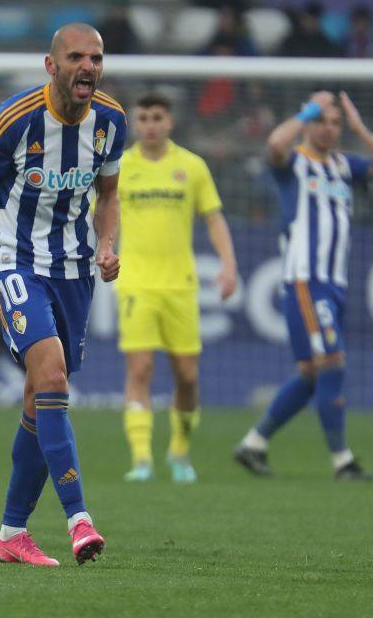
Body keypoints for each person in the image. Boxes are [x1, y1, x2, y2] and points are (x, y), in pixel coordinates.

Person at [0, 23, 125, 566]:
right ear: (51, 65)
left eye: (96, 58)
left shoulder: (112, 121)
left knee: (39, 396)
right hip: (13, 261)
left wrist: (108, 243)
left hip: (75, 269)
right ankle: (79, 519)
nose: (88, 67)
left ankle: (10, 533)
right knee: (51, 378)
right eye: (76, 57)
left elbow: (110, 192)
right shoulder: (12, 121)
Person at [234, 91, 373, 479]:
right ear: (307, 123)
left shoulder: (345, 166)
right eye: (320, 121)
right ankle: (342, 461)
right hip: (305, 280)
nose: (328, 129)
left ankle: (253, 444)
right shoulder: (294, 162)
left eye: (334, 123)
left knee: (313, 373)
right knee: (333, 363)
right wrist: (307, 108)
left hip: (335, 284)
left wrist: (360, 128)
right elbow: (275, 143)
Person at [117, 93, 237, 483]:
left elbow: (214, 219)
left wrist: (228, 264)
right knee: (140, 368)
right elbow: (101, 214)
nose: (150, 124)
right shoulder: (121, 167)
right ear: (136, 122)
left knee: (186, 376)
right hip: (135, 282)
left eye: (157, 117)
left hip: (180, 286)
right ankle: (141, 459)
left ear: (170, 122)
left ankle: (180, 452)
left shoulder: (191, 166)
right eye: (144, 117)